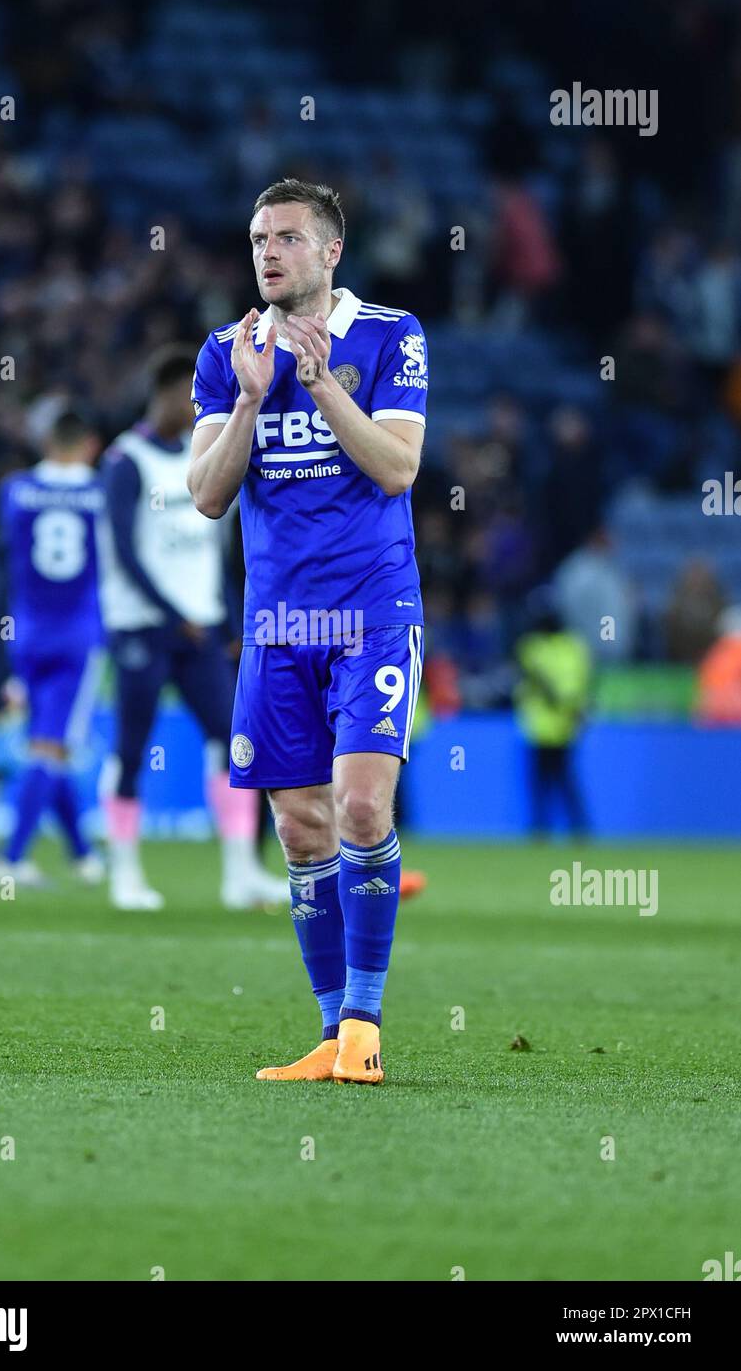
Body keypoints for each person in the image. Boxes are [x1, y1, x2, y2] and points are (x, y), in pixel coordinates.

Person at [188, 178, 427, 1083]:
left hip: (370, 611)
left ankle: (363, 1028)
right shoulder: (226, 353)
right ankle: (329, 1032)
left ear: (330, 252)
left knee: (361, 806)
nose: (268, 252)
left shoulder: (390, 335)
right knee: (297, 830)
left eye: (287, 236)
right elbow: (208, 497)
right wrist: (250, 401)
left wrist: (320, 382)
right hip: (276, 622)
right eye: (257, 238)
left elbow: (398, 468)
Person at [97, 345, 288, 911]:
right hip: (143, 627)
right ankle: (125, 875)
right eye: (191, 396)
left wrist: (227, 618)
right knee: (132, 747)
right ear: (162, 394)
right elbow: (124, 553)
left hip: (201, 630)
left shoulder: (201, 458)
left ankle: (240, 874)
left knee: (235, 747)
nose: (201, 405)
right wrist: (173, 612)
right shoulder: (126, 460)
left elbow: (215, 552)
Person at [0, 410, 106, 886]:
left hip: (27, 631)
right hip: (78, 635)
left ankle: (81, 854)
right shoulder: (100, 491)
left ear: (45, 443)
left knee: (46, 742)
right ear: (88, 444)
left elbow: (4, 554)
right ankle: (12, 858)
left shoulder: (15, 489)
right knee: (50, 746)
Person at [514, 591, 591, 836]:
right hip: (544, 725)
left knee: (562, 782)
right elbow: (543, 680)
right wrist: (571, 706)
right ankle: (544, 828)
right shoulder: (536, 646)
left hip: (561, 725)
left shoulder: (569, 646)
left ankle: (575, 828)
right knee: (547, 783)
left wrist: (573, 708)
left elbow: (580, 681)